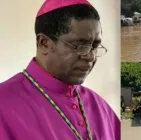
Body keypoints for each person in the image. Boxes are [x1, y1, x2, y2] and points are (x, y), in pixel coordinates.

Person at [0, 0, 120, 140]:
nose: (91, 57)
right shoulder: (3, 103)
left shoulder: (99, 105)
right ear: (44, 44)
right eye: (79, 45)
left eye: (94, 46)